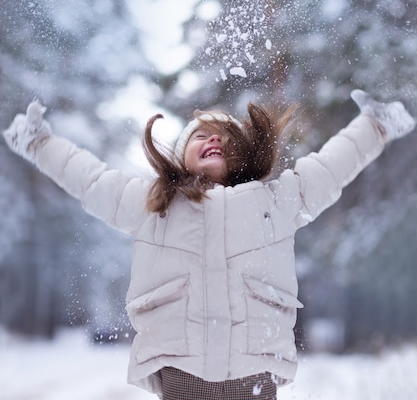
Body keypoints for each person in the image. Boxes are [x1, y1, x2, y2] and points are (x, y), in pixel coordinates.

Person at [3, 90, 415, 400]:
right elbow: (90, 179)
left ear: (245, 153)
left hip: (255, 369)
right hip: (181, 370)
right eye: (201, 135)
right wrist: (39, 143)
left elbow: (330, 166)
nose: (214, 139)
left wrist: (374, 126)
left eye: (225, 136)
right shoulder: (154, 203)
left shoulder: (275, 200)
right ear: (182, 157)